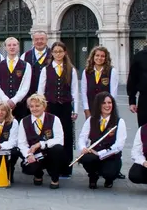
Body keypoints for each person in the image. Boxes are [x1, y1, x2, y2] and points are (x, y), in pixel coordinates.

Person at [37, 41, 79, 177]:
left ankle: (66, 169)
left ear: (65, 53)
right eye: (55, 52)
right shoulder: (46, 69)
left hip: (65, 107)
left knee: (66, 137)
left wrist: (75, 110)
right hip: (51, 107)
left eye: (60, 51)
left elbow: (75, 92)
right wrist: (41, 109)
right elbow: (40, 91)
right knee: (50, 136)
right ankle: (51, 167)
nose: (58, 54)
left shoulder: (71, 70)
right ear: (52, 53)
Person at [77, 92, 127, 189]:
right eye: (104, 103)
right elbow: (82, 137)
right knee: (85, 158)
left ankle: (109, 179)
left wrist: (100, 153)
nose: (107, 105)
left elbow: (119, 145)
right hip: (94, 154)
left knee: (109, 173)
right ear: (98, 105)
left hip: (111, 156)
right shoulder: (91, 120)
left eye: (110, 102)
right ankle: (93, 175)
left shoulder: (119, 121)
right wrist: (83, 147)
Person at [18, 94, 66, 188]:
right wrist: (28, 155)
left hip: (49, 152)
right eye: (31, 106)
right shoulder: (24, 121)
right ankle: (38, 174)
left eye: (37, 106)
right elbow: (21, 143)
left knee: (58, 149)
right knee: (29, 168)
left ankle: (54, 178)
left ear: (44, 106)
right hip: (34, 154)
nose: (34, 109)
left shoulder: (54, 119)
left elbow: (59, 140)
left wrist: (41, 144)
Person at [0, 37, 32, 120]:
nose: (12, 47)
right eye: (9, 45)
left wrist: (14, 100)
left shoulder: (26, 65)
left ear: (18, 47)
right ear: (5, 48)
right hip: (2, 106)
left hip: (20, 105)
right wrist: (6, 100)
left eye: (14, 45)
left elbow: (25, 87)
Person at [81, 46, 118, 118]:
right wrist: (86, 109)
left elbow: (113, 94)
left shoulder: (112, 71)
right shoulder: (86, 72)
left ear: (106, 58)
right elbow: (83, 92)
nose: (99, 58)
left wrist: (111, 109)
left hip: (106, 109)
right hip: (91, 108)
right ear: (93, 56)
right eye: (97, 55)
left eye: (102, 56)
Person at [21, 30, 50, 98]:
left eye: (42, 39)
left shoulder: (53, 55)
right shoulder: (25, 56)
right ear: (33, 41)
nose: (39, 41)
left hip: (49, 96)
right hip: (30, 96)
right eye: (36, 39)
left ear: (46, 40)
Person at [128, 44, 147, 128]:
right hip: (145, 100)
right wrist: (132, 101)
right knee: (143, 130)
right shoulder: (139, 57)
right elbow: (133, 79)